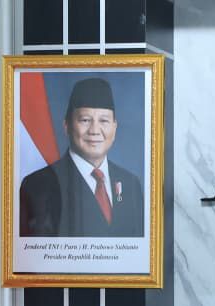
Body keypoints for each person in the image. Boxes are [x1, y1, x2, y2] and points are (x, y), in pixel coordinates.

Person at [18, 76, 144, 237]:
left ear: (114, 128)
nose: (94, 130)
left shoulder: (131, 184)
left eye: (104, 121)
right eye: (85, 120)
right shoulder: (38, 186)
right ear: (67, 126)